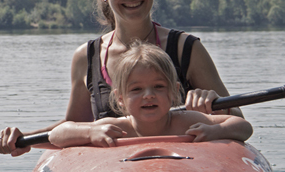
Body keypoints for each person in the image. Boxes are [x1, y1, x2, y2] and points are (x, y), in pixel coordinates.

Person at [0, 0, 242, 156]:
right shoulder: (86, 57)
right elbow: (73, 127)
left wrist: (217, 102)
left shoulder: (186, 48)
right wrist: (24, 139)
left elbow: (238, 121)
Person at [48, 42, 252, 148]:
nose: (148, 95)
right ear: (120, 98)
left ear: (174, 93)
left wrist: (215, 131)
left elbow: (243, 126)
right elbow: (56, 135)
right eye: (136, 89)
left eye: (158, 87)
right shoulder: (117, 128)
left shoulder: (188, 122)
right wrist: (89, 133)